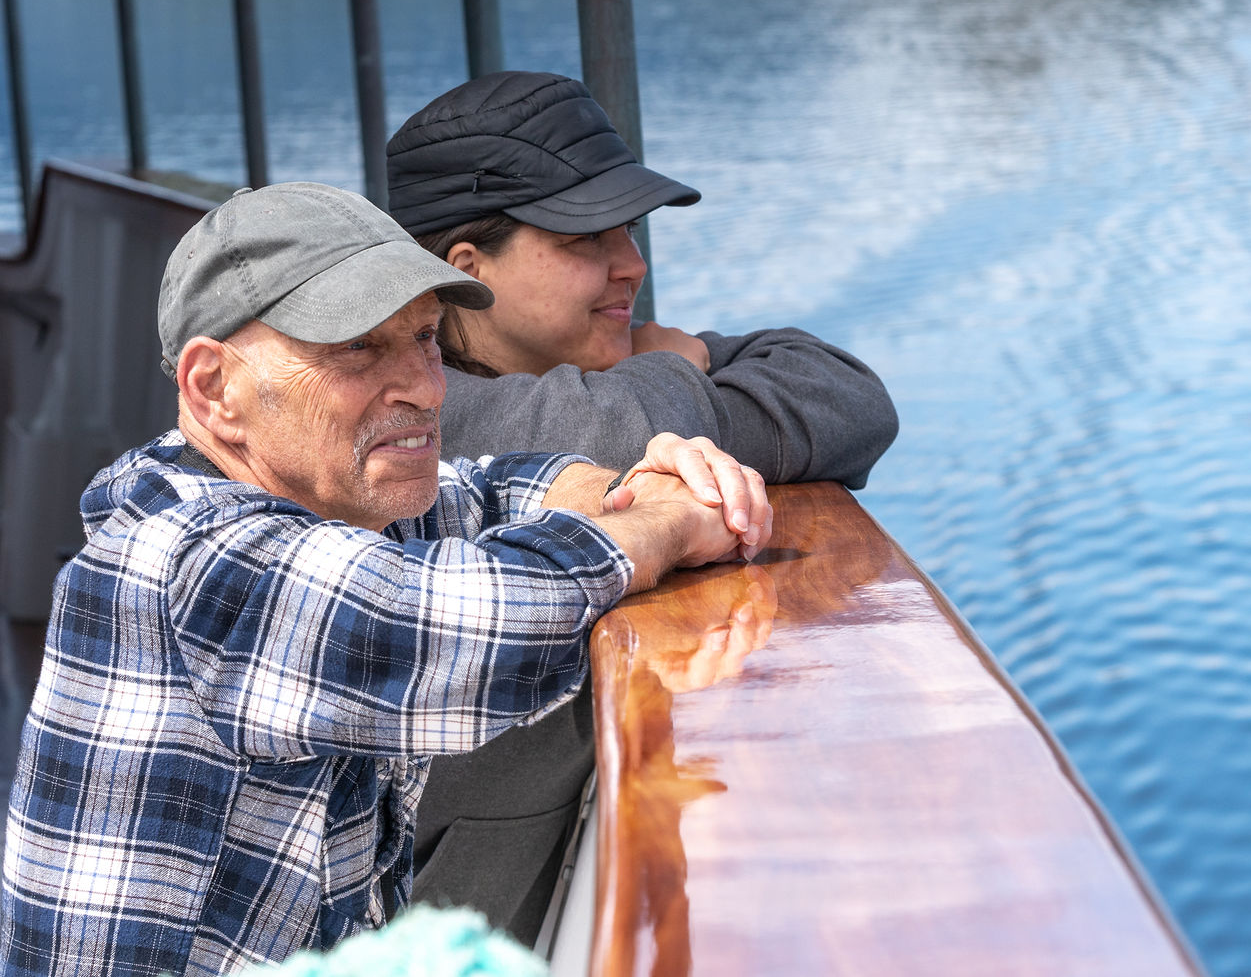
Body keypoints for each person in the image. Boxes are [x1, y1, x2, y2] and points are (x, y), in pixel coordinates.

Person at [0, 182, 773, 977]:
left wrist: (633, 486)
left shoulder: (340, 505)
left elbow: (495, 488)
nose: (427, 387)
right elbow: (477, 626)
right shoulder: (188, 560)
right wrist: (662, 523)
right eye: (358, 349)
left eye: (426, 339)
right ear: (214, 388)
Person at [384, 71, 900, 942]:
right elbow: (608, 426)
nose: (633, 262)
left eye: (628, 228)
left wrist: (658, 378)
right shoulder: (414, 417)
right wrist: (673, 369)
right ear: (467, 271)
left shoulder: (599, 367)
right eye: (586, 238)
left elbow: (851, 396)